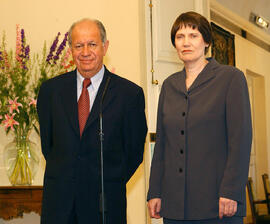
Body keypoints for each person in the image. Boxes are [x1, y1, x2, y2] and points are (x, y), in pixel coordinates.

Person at [37, 18, 147, 224]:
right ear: (70, 50)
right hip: (59, 206)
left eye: (92, 44)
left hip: (104, 206)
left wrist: (108, 181)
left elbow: (133, 153)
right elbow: (48, 147)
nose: (85, 52)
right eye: (78, 45)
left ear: (105, 47)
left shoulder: (129, 95)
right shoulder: (50, 91)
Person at [147, 11, 252, 224]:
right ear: (174, 44)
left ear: (206, 41)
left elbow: (240, 140)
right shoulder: (168, 85)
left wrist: (231, 190)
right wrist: (154, 191)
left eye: (193, 35)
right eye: (180, 36)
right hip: (175, 206)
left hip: (218, 203)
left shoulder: (230, 78)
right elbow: (162, 145)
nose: (186, 42)